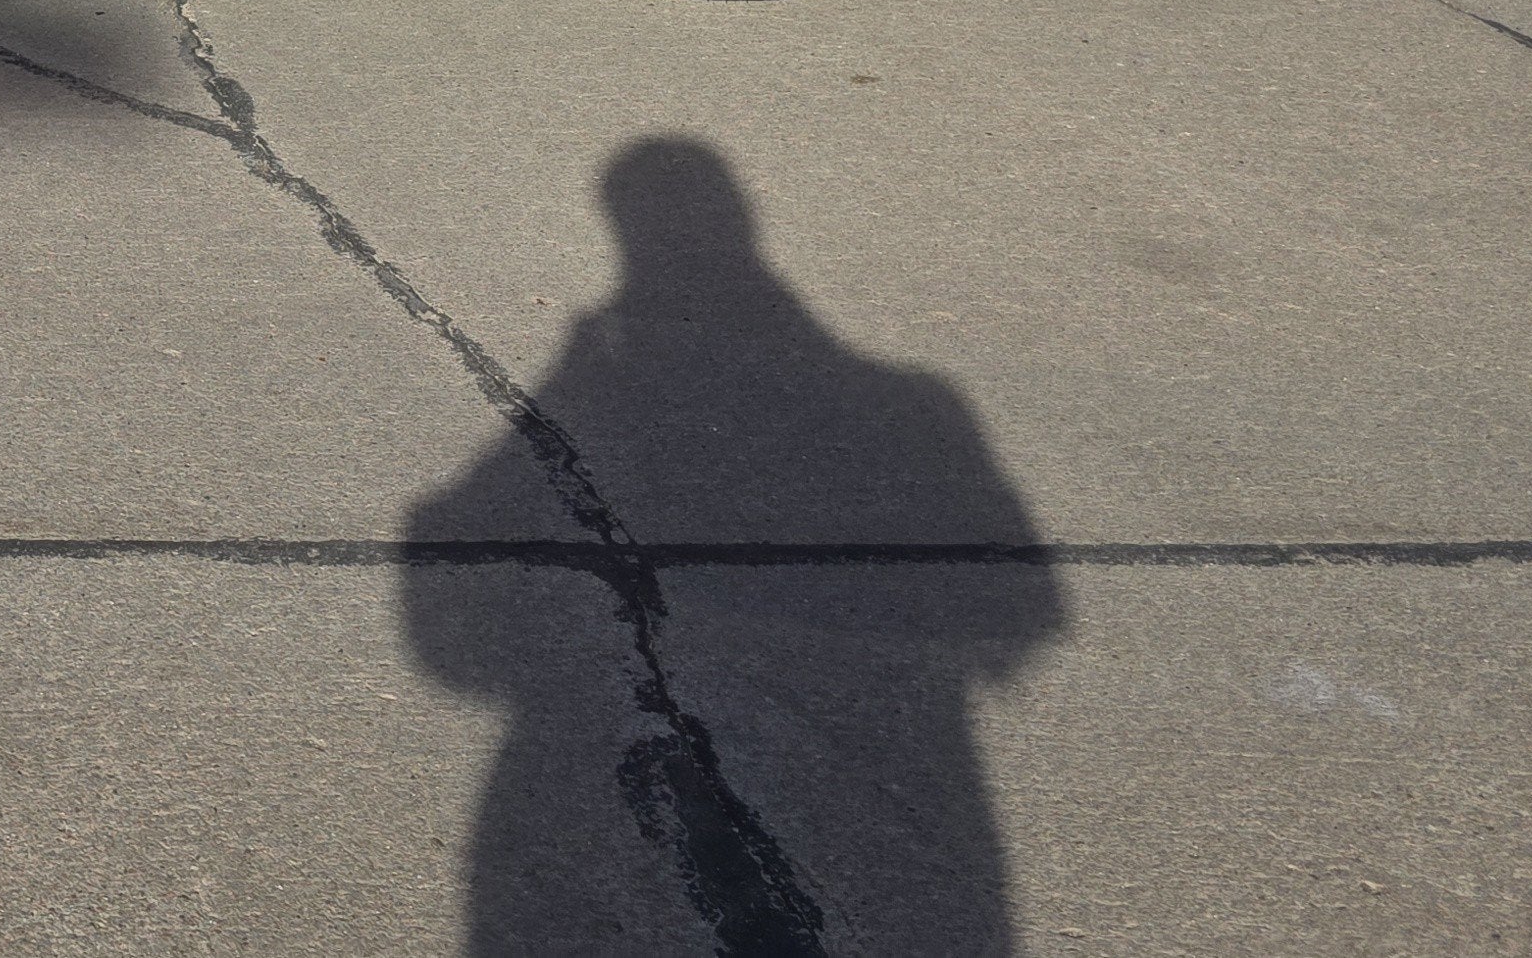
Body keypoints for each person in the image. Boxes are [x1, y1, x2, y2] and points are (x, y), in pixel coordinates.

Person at [401, 137, 1063, 953]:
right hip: (915, 761)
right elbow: (1026, 616)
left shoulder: (914, 404)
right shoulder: (919, 404)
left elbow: (451, 649)